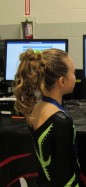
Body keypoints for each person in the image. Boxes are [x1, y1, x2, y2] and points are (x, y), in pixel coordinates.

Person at [12, 48, 81, 186]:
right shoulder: (61, 121)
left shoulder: (35, 109)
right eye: (73, 72)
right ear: (62, 81)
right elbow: (66, 174)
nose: (75, 76)